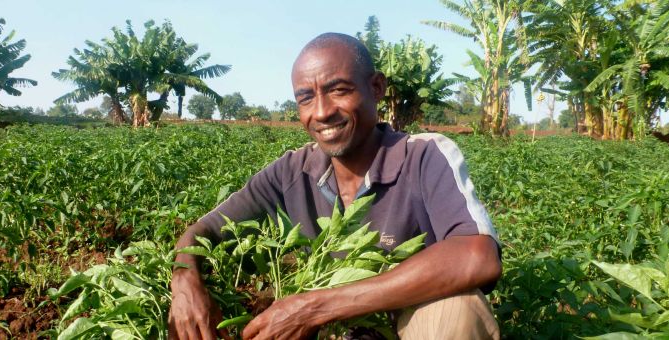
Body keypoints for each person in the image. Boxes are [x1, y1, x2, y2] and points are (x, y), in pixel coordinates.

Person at [168, 32, 502, 340]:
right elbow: (204, 230)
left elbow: (476, 255)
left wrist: (315, 307)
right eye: (306, 99)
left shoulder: (423, 155)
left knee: (457, 311)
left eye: (338, 90)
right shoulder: (291, 171)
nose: (322, 112)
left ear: (375, 88)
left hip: (405, 328)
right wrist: (184, 278)